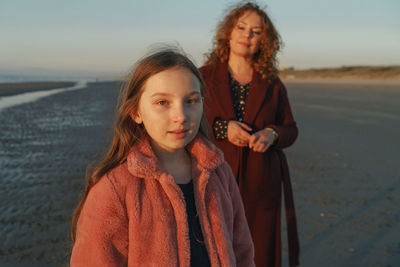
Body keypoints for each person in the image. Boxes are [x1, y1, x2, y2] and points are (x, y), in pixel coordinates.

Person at [70, 48, 255, 266]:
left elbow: (242, 250)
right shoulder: (115, 189)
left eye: (191, 101)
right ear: (136, 112)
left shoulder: (219, 172)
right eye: (162, 102)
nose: (180, 116)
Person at [200, 2, 300, 267]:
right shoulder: (203, 77)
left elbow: (291, 129)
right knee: (214, 252)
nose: (247, 35)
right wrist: (223, 128)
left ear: (264, 41)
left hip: (262, 183)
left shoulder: (273, 83)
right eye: (242, 27)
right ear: (229, 32)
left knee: (258, 255)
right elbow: (187, 122)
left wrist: (272, 133)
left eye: (256, 31)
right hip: (213, 180)